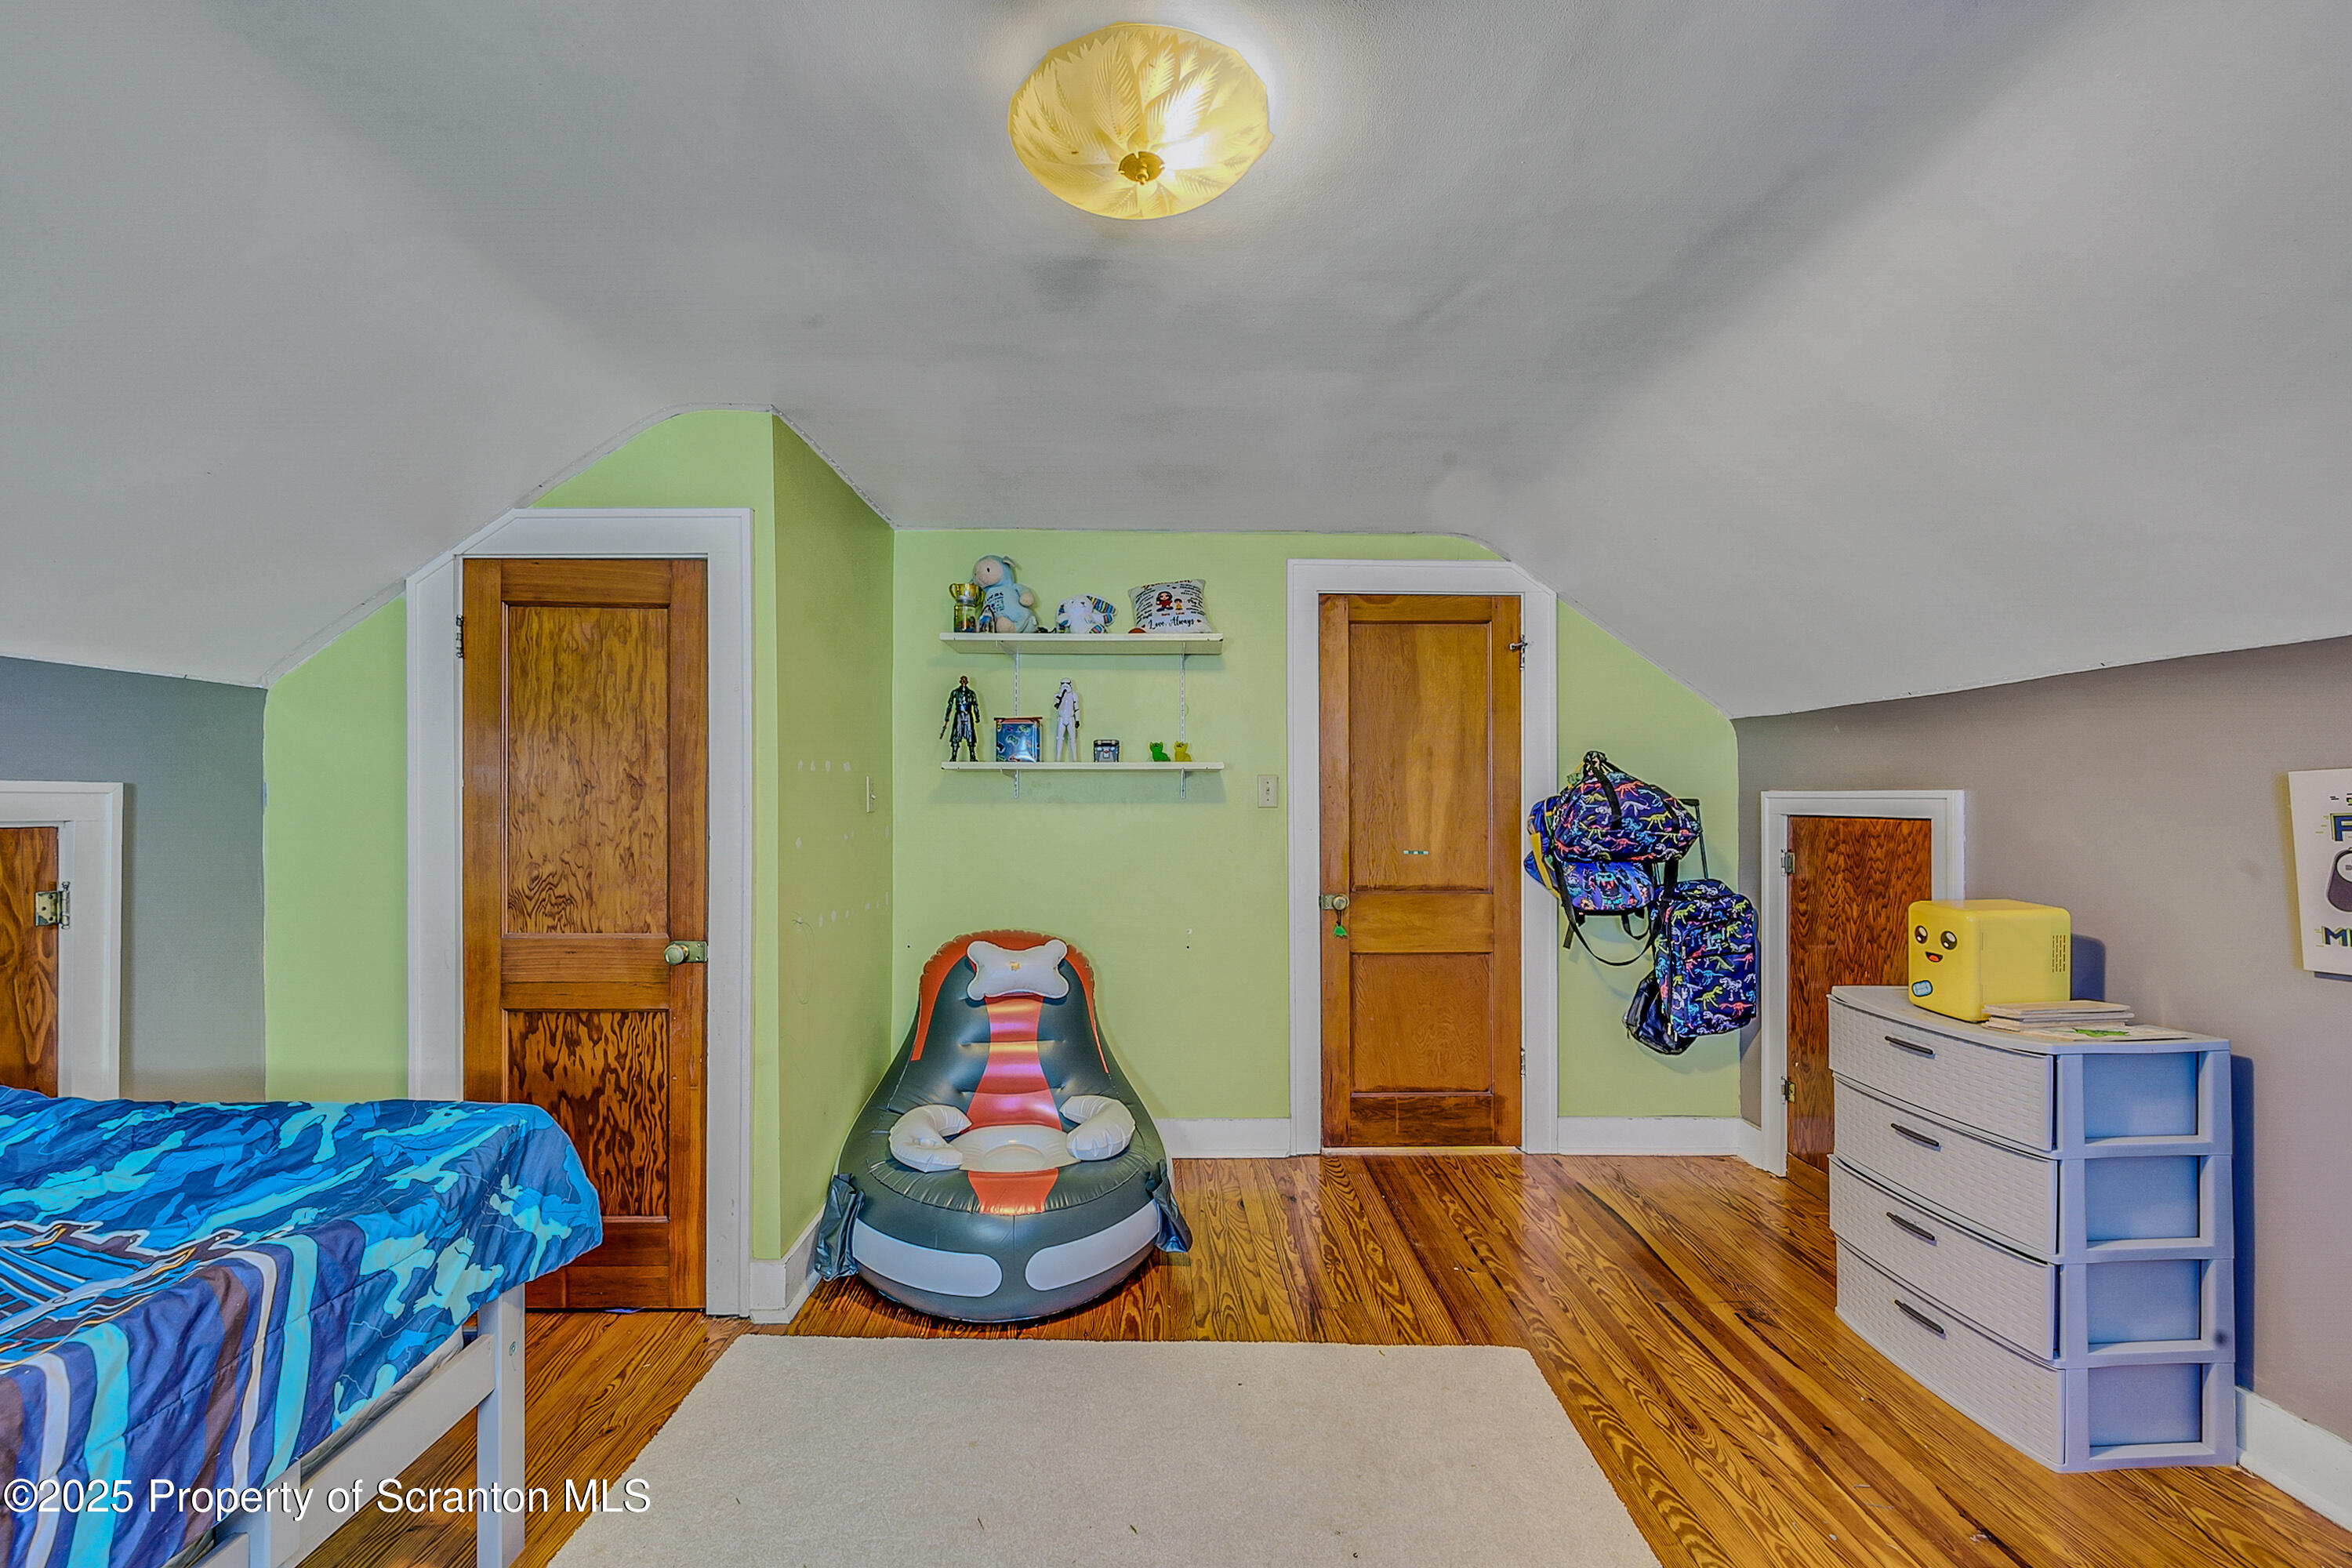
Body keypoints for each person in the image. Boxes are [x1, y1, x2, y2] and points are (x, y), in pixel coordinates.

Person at [941, 676, 982, 761]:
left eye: (965, 680)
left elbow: (975, 706)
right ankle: (954, 756)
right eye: (962, 680)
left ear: (967, 682)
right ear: (960, 681)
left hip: (968, 716)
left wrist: (977, 716)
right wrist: (947, 716)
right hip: (959, 715)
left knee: (970, 735)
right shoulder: (955, 692)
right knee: (956, 736)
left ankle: (972, 756)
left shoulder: (971, 693)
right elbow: (950, 705)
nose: (963, 682)